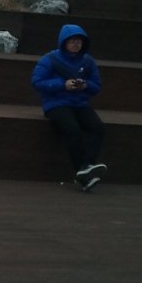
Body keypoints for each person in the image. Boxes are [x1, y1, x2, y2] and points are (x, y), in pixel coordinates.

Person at [31, 24, 108, 191]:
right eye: (72, 41)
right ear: (64, 42)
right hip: (56, 103)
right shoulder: (50, 59)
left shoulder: (88, 61)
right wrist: (62, 85)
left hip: (80, 103)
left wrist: (85, 85)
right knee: (73, 129)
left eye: (79, 41)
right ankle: (82, 170)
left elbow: (96, 86)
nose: (76, 44)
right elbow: (37, 82)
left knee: (98, 128)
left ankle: (87, 167)